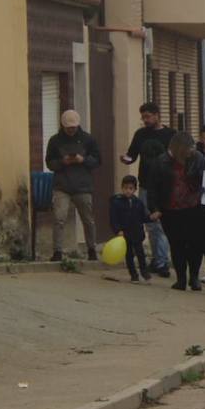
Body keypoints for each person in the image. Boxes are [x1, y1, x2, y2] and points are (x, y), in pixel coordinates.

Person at [146, 132, 205, 291]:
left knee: (196, 244)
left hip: (194, 208)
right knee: (177, 244)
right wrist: (154, 208)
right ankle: (181, 278)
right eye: (187, 148)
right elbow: (152, 188)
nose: (190, 151)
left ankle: (194, 277)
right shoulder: (160, 163)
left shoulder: (198, 159)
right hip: (171, 210)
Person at [121, 102, 175, 276]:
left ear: (157, 115)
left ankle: (163, 261)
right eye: (143, 117)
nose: (145, 120)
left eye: (148, 116)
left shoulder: (170, 135)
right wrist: (126, 159)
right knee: (150, 223)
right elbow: (132, 155)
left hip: (165, 186)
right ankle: (157, 259)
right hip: (145, 184)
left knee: (162, 224)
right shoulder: (141, 134)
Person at [45, 109, 102, 261]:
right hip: (62, 186)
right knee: (59, 218)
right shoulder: (54, 141)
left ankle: (91, 249)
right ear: (62, 126)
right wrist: (61, 162)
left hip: (83, 186)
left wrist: (83, 160)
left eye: (73, 127)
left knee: (88, 219)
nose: (71, 130)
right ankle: (57, 251)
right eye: (68, 128)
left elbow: (97, 160)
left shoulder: (88, 140)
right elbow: (49, 163)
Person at [108, 175, 150, 281]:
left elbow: (143, 217)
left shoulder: (138, 203)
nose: (128, 191)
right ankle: (133, 274)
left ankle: (144, 271)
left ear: (135, 189)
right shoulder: (117, 202)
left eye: (130, 188)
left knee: (140, 253)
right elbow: (113, 218)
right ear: (122, 188)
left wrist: (151, 218)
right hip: (125, 233)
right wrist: (118, 230)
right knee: (129, 255)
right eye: (125, 188)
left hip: (137, 233)